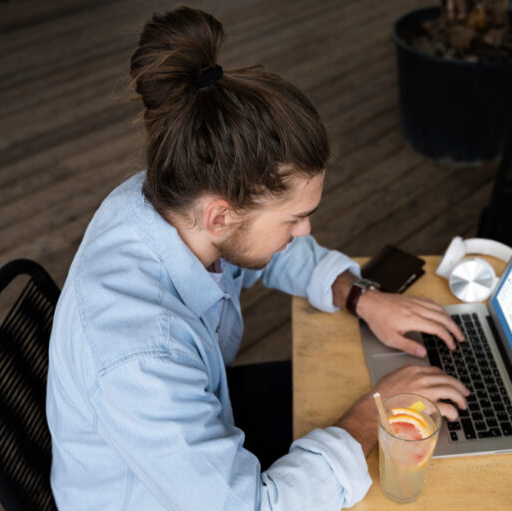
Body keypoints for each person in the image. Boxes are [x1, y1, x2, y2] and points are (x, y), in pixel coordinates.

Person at [46, 6, 470, 510]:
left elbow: (257, 251)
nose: (306, 229)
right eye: (293, 219)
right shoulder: (143, 359)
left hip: (201, 426)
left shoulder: (167, 197)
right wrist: (370, 416)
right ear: (219, 217)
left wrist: (357, 295)